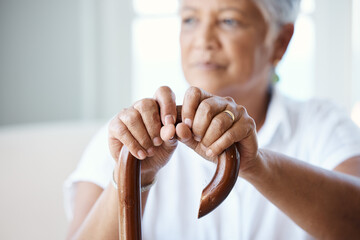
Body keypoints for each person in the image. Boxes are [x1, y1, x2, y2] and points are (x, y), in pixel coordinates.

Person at [64, 0, 360, 239]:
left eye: (229, 20)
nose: (203, 40)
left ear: (280, 41)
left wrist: (257, 164)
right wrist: (135, 178)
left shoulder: (323, 124)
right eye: (190, 19)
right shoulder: (129, 135)